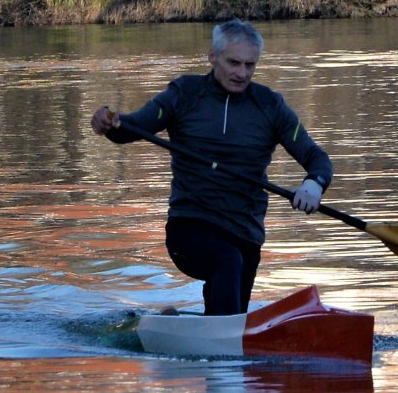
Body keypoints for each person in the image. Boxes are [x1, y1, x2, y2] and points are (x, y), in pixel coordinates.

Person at [91, 20, 332, 316]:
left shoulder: (271, 106)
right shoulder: (184, 93)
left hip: (245, 234)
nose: (242, 73)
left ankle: (190, 326)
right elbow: (133, 127)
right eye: (234, 63)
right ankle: (216, 330)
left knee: (231, 302)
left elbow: (316, 158)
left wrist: (313, 184)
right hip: (189, 227)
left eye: (250, 65)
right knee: (227, 261)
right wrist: (109, 122)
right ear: (212, 56)